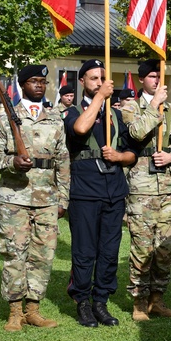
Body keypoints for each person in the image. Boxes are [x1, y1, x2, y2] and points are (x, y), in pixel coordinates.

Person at [0, 64, 70, 331]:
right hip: (15, 197)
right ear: (22, 85)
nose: (39, 86)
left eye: (43, 82)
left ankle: (33, 309)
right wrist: (11, 162)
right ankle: (14, 311)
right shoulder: (4, 119)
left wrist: (63, 199)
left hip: (47, 199)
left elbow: (63, 160)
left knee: (42, 255)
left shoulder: (55, 118)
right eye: (34, 81)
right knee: (15, 253)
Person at [64, 59, 137, 327]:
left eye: (102, 78)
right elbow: (80, 129)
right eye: (93, 78)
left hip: (114, 191)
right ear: (82, 81)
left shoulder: (116, 115)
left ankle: (101, 301)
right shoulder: (72, 112)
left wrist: (120, 156)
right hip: (85, 191)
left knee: (109, 250)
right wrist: (101, 98)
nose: (99, 83)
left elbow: (133, 153)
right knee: (85, 251)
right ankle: (82, 301)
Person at [121, 59, 171, 321]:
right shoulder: (130, 107)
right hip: (142, 188)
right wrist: (153, 105)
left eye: (159, 76)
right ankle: (139, 301)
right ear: (142, 80)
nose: (156, 81)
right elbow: (137, 133)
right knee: (141, 246)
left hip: (168, 187)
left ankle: (157, 299)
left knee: (164, 248)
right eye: (151, 76)